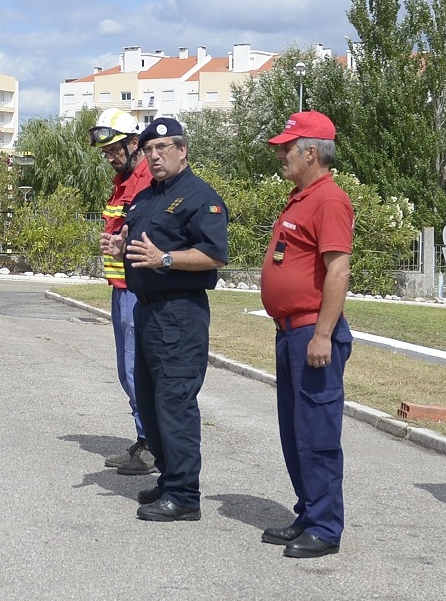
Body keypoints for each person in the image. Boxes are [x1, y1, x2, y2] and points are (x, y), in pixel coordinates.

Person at [107, 117, 230, 522]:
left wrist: (166, 259)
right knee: (150, 400)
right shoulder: (146, 197)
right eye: (148, 151)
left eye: (163, 149)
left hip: (179, 312)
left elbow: (213, 255)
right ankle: (168, 479)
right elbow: (139, 243)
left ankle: (184, 495)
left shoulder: (199, 197)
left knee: (175, 403)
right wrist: (121, 244)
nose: (155, 156)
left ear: (183, 151)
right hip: (147, 309)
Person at [255, 111, 353, 558]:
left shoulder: (329, 199)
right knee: (295, 433)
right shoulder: (301, 197)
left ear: (310, 153)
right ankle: (308, 512)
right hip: (290, 332)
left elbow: (338, 270)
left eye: (287, 148)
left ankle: (326, 528)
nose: (281, 155)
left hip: (312, 332)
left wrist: (323, 335)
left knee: (317, 433)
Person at [89, 109, 155, 476]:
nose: (111, 157)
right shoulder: (124, 180)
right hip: (121, 288)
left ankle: (151, 445)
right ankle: (145, 440)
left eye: (116, 149)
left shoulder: (145, 182)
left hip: (136, 289)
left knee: (134, 369)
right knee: (126, 370)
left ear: (134, 143)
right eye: (106, 152)